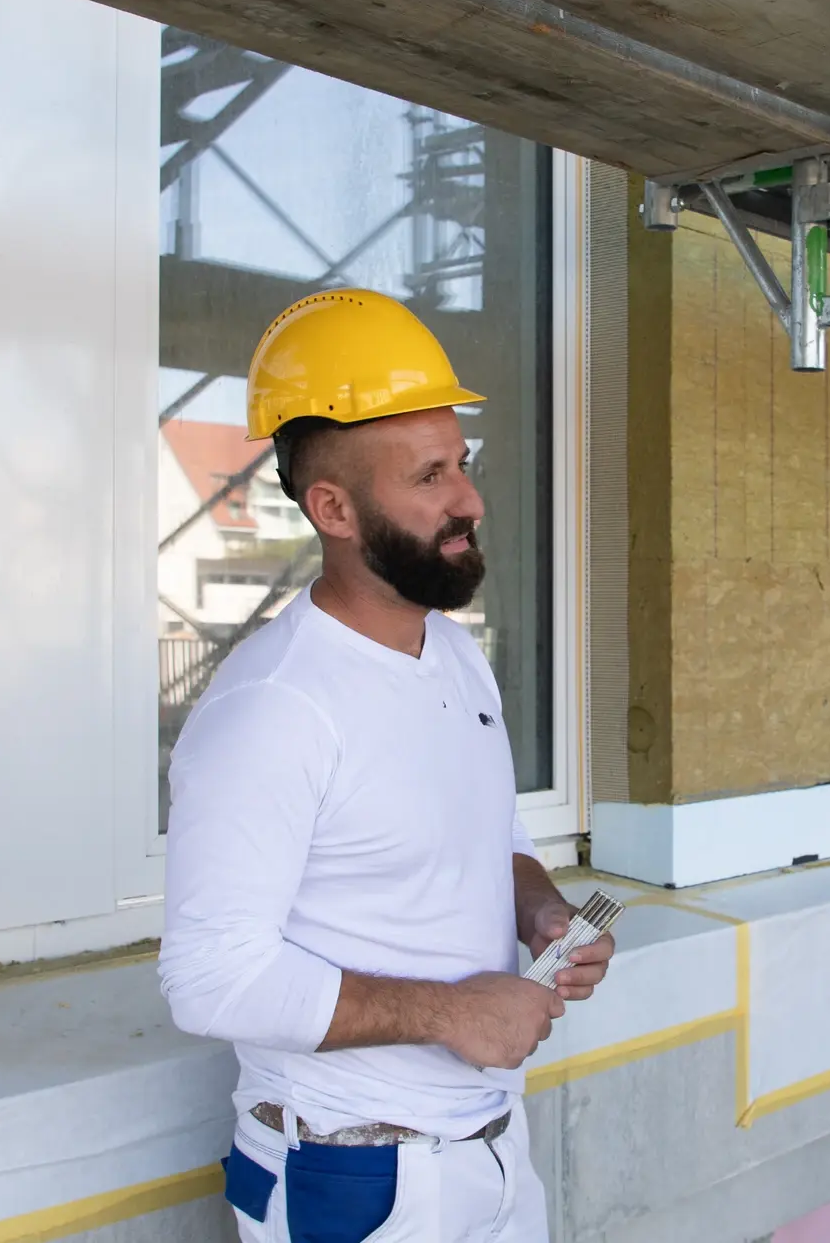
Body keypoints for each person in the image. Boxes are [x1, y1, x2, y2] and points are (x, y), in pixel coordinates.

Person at [159, 289, 611, 1242]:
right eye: (429, 477)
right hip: (352, 1178)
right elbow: (210, 978)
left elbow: (495, 835)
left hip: (490, 1149)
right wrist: (447, 1012)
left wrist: (538, 908)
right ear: (335, 508)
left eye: (464, 464)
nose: (470, 500)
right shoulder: (273, 708)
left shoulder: (450, 651)